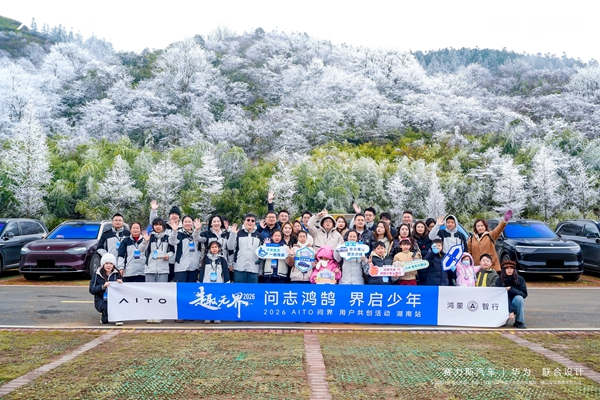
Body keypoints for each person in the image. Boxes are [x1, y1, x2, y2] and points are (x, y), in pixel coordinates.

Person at [199, 240, 230, 324]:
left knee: (217, 299)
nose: (214, 249)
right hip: (207, 283)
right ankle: (207, 317)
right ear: (209, 249)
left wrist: (227, 282)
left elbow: (225, 272)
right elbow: (202, 271)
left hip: (218, 283)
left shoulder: (222, 260)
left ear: (219, 248)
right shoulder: (205, 259)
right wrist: (200, 281)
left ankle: (217, 316)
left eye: (216, 247)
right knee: (207, 299)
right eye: (212, 247)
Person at [227, 213, 263, 283]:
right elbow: (230, 247)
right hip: (239, 268)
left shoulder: (259, 235)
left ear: (255, 223)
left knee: (252, 289)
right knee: (239, 289)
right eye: (248, 220)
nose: (250, 222)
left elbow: (261, 254)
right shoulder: (238, 233)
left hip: (253, 268)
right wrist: (233, 234)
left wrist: (260, 269)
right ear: (244, 221)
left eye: (252, 221)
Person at [89, 253, 122, 326]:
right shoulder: (97, 274)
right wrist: (103, 286)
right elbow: (91, 289)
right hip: (101, 299)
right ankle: (104, 313)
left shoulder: (117, 274)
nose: (109, 265)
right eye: (106, 263)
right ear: (103, 264)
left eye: (111, 263)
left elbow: (122, 291)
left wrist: (120, 284)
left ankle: (117, 317)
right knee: (105, 319)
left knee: (118, 305)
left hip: (114, 299)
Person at [140, 218, 173, 284]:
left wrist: (168, 255)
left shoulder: (168, 237)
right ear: (153, 226)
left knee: (162, 289)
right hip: (150, 269)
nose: (158, 227)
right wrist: (145, 241)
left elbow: (172, 251)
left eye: (160, 225)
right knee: (149, 289)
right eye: (155, 225)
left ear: (163, 226)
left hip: (163, 269)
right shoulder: (149, 237)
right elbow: (141, 249)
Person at [495, 260, 528, 329]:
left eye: (511, 268)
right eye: (507, 268)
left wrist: (511, 289)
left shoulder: (520, 279)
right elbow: (499, 296)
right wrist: (511, 310)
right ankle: (502, 320)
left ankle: (519, 321)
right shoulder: (499, 280)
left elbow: (524, 294)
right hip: (503, 303)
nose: (509, 270)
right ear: (504, 270)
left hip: (515, 302)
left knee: (519, 298)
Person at [169, 215, 201, 283]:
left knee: (191, 288)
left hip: (194, 267)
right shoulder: (178, 233)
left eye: (189, 222)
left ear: (193, 223)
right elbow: (172, 242)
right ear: (182, 223)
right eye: (185, 222)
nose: (187, 223)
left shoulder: (197, 234)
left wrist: (197, 230)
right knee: (181, 288)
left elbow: (199, 247)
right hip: (181, 267)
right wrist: (174, 231)